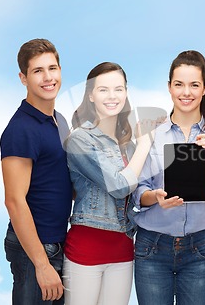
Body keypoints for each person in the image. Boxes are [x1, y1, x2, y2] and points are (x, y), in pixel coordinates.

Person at [132, 50, 205, 305]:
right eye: (179, 84)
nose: (186, 92)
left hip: (200, 249)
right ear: (169, 87)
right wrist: (155, 197)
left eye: (194, 85)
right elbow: (138, 192)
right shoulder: (152, 134)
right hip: (152, 247)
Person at [62, 62, 159, 305]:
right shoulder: (80, 139)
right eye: (103, 89)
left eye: (119, 89)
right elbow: (119, 186)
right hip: (86, 249)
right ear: (91, 95)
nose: (112, 96)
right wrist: (145, 144)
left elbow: (138, 190)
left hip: (123, 250)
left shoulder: (127, 143)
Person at [1, 38, 73, 304]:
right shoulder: (21, 129)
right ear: (23, 78)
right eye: (37, 71)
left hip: (58, 244)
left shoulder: (60, 120)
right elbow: (14, 201)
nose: (47, 77)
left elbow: (65, 182)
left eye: (52, 68)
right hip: (34, 251)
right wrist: (42, 265)